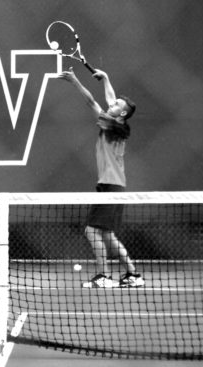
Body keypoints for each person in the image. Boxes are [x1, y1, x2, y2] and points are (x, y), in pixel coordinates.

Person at [58, 66, 145, 288]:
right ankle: (133, 275)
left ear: (122, 113)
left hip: (110, 186)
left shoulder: (112, 124)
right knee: (107, 234)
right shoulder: (119, 122)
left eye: (117, 105)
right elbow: (110, 99)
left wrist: (75, 81)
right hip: (114, 186)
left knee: (91, 230)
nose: (112, 104)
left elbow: (92, 102)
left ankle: (104, 276)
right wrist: (106, 77)